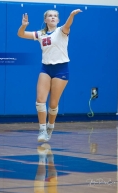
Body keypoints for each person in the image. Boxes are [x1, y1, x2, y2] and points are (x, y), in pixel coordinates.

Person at [17, 8, 82, 142]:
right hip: (46, 68)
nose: (52, 18)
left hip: (61, 69)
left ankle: (50, 126)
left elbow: (68, 24)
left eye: (55, 16)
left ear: (58, 20)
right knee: (40, 100)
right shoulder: (40, 34)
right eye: (50, 16)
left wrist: (71, 15)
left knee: (53, 104)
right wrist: (23, 26)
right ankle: (42, 130)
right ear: (45, 20)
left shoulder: (62, 31)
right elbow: (21, 35)